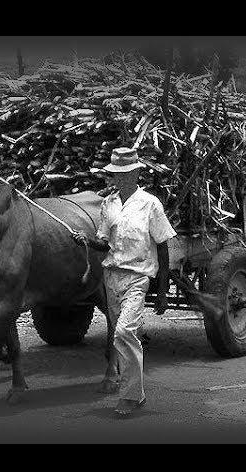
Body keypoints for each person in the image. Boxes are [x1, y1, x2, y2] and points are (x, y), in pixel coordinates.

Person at [72, 147, 177, 417]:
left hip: (138, 276)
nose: (119, 179)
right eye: (116, 174)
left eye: (125, 174)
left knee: (123, 333)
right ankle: (137, 394)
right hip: (112, 277)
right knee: (120, 336)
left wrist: (163, 291)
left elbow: (163, 247)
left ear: (136, 173)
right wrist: (87, 241)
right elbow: (104, 244)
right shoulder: (109, 205)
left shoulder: (150, 203)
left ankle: (130, 396)